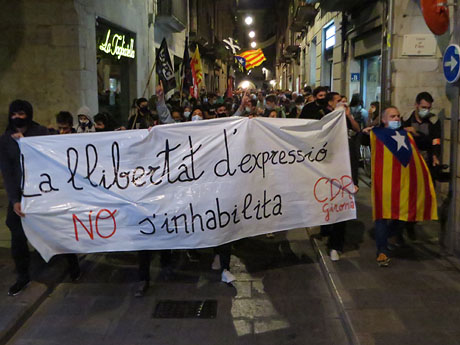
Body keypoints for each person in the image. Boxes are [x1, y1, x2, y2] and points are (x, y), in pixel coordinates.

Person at [0, 100, 80, 296]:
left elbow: (53, 155)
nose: (17, 118)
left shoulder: (41, 133)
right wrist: (14, 200)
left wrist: (25, 144)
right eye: (14, 114)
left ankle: (72, 263)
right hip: (21, 195)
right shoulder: (5, 139)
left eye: (20, 114)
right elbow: (8, 172)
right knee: (16, 232)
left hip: (45, 192)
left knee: (58, 227)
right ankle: (22, 275)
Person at [401, 92, 441, 241]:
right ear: (416, 105)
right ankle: (406, 225)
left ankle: (412, 221)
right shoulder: (406, 119)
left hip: (425, 160)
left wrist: (436, 154)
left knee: (423, 195)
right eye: (423, 107)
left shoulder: (433, 121)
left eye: (428, 108)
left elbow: (435, 140)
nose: (426, 110)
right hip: (409, 161)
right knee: (408, 195)